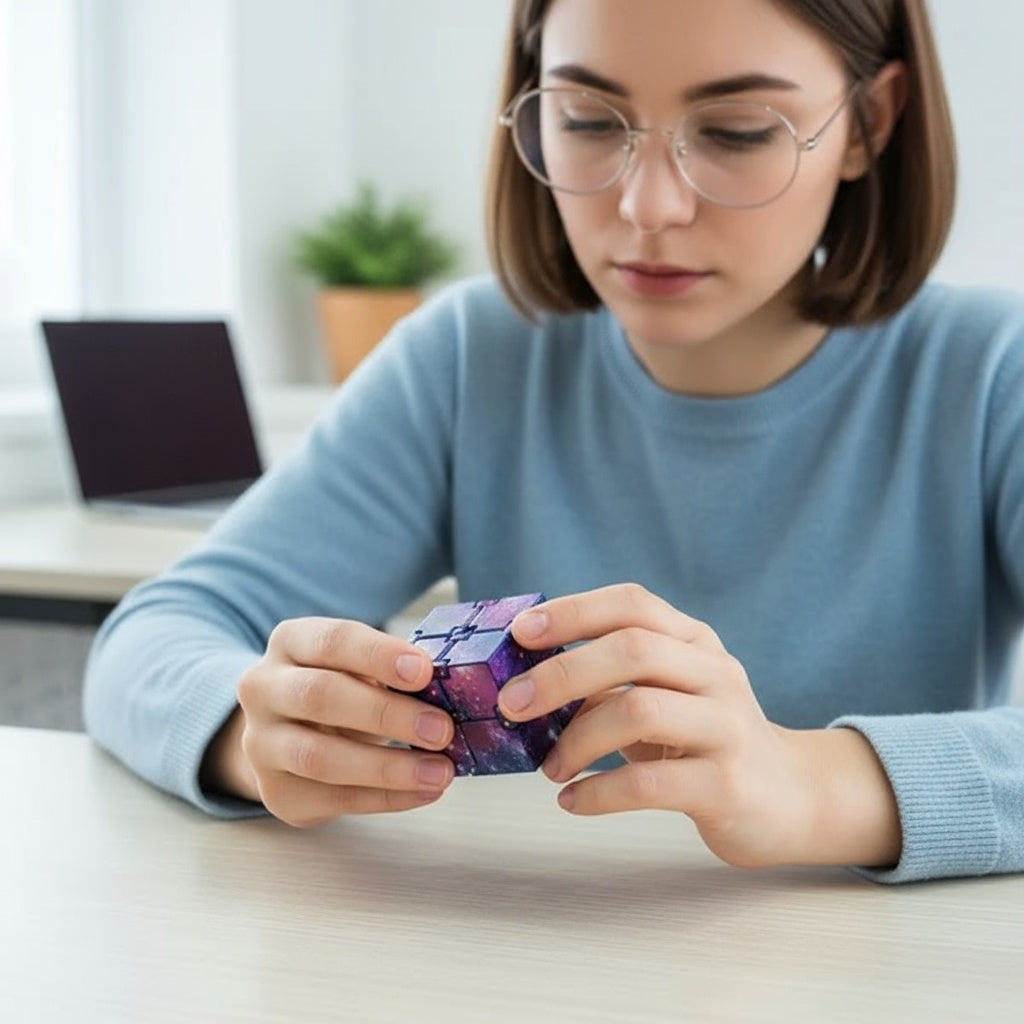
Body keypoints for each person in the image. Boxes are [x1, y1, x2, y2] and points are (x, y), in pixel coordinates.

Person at [84, 0, 1024, 885]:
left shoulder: (991, 373)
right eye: (586, 119)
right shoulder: (468, 358)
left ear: (871, 121)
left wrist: (808, 782)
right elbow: (151, 638)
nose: (649, 206)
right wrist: (256, 738)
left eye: (738, 131)